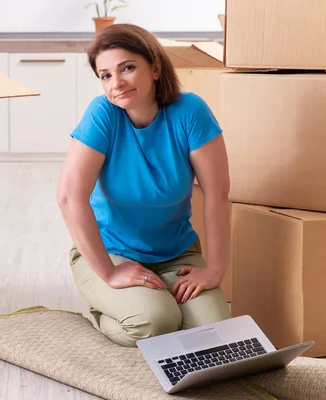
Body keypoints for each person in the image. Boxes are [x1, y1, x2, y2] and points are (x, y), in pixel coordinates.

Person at [57, 24, 231, 347]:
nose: (116, 83)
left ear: (154, 67)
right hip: (111, 253)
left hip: (177, 254)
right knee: (157, 322)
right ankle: (103, 313)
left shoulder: (190, 112)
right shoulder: (102, 115)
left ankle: (161, 309)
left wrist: (215, 270)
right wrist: (109, 272)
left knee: (216, 332)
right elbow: (69, 197)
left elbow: (217, 194)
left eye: (127, 68)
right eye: (105, 75)